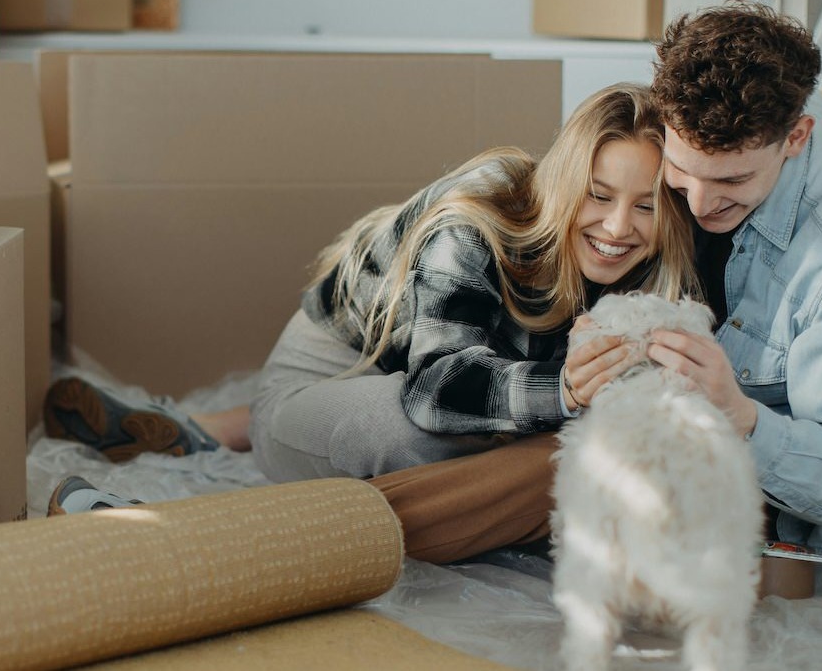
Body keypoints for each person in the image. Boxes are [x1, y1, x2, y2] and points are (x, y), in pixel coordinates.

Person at [44, 83, 701, 563]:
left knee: (547, 446)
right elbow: (436, 389)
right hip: (336, 376)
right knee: (417, 433)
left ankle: (209, 429)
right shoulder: (479, 214)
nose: (619, 227)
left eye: (646, 206)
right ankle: (194, 499)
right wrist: (565, 389)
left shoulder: (658, 264)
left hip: (401, 366)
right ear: (565, 182)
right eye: (598, 195)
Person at [643, 1, 822, 555]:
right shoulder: (715, 103)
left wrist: (737, 416)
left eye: (732, 180)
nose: (699, 204)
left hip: (789, 517)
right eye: (681, 170)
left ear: (798, 137)